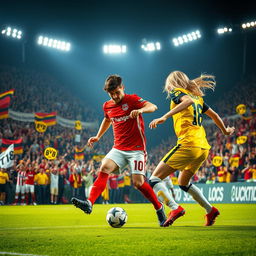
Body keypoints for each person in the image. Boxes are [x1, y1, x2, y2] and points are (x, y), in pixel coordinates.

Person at [71, 74, 166, 226]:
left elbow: (153, 106)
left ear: (123, 88)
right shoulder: (107, 105)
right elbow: (107, 119)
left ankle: (159, 208)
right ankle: (89, 203)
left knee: (138, 182)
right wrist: (98, 136)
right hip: (119, 148)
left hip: (136, 149)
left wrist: (141, 111)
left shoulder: (133, 100)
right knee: (104, 167)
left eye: (117, 92)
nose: (115, 96)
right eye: (111, 94)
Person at [148, 71, 235, 227]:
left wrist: (164, 117)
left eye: (168, 85)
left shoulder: (178, 92)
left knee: (154, 179)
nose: (168, 89)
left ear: (172, 83)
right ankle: (210, 210)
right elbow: (214, 115)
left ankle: (175, 208)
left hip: (188, 144)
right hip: (202, 148)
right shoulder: (198, 99)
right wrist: (225, 131)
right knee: (183, 182)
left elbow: (186, 101)